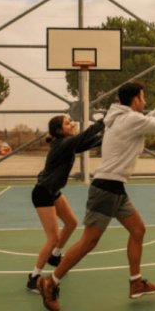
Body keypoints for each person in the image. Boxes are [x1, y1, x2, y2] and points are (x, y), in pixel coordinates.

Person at [37, 81, 155, 311]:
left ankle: (136, 282)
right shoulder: (129, 120)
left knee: (138, 230)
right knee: (89, 242)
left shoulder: (122, 117)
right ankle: (51, 281)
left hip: (115, 187)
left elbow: (147, 120)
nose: (145, 101)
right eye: (143, 97)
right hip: (106, 189)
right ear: (135, 99)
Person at [26, 115, 105, 293]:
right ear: (60, 131)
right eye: (68, 123)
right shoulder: (63, 144)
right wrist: (103, 122)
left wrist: (114, 134)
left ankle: (55, 257)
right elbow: (84, 137)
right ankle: (34, 278)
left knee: (71, 223)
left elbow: (90, 142)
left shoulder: (67, 143)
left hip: (53, 192)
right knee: (53, 238)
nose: (73, 123)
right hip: (43, 193)